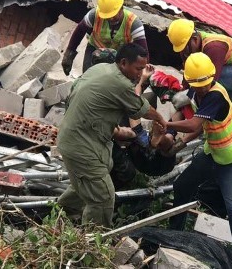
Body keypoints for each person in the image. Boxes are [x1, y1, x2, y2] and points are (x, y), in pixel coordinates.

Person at [57, 43, 166, 227]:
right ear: (123, 63)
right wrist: (162, 120)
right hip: (82, 146)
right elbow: (142, 109)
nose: (140, 74)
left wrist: (116, 131)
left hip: (73, 138)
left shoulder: (99, 69)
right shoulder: (121, 84)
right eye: (138, 69)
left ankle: (56, 219)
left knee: (84, 186)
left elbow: (87, 104)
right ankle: (93, 244)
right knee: (103, 198)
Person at [165, 53, 232, 268]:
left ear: (211, 77)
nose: (202, 88)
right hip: (213, 152)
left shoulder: (215, 96)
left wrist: (166, 125)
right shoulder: (197, 89)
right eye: (197, 85)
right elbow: (202, 124)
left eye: (205, 84)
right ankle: (174, 236)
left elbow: (194, 124)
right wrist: (182, 142)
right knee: (182, 186)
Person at [167, 19, 232, 100]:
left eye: (184, 49)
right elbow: (189, 72)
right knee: (216, 104)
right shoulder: (187, 47)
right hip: (228, 69)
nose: (183, 53)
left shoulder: (214, 47)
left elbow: (211, 81)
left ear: (194, 39)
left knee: (204, 81)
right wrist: (183, 90)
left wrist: (186, 97)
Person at [61, 0, 148, 75]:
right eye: (107, 16)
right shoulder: (94, 15)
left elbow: (143, 51)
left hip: (120, 55)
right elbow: (79, 31)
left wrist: (140, 71)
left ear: (121, 8)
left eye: (114, 14)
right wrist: (69, 54)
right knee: (88, 76)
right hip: (95, 48)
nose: (111, 18)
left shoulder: (133, 22)